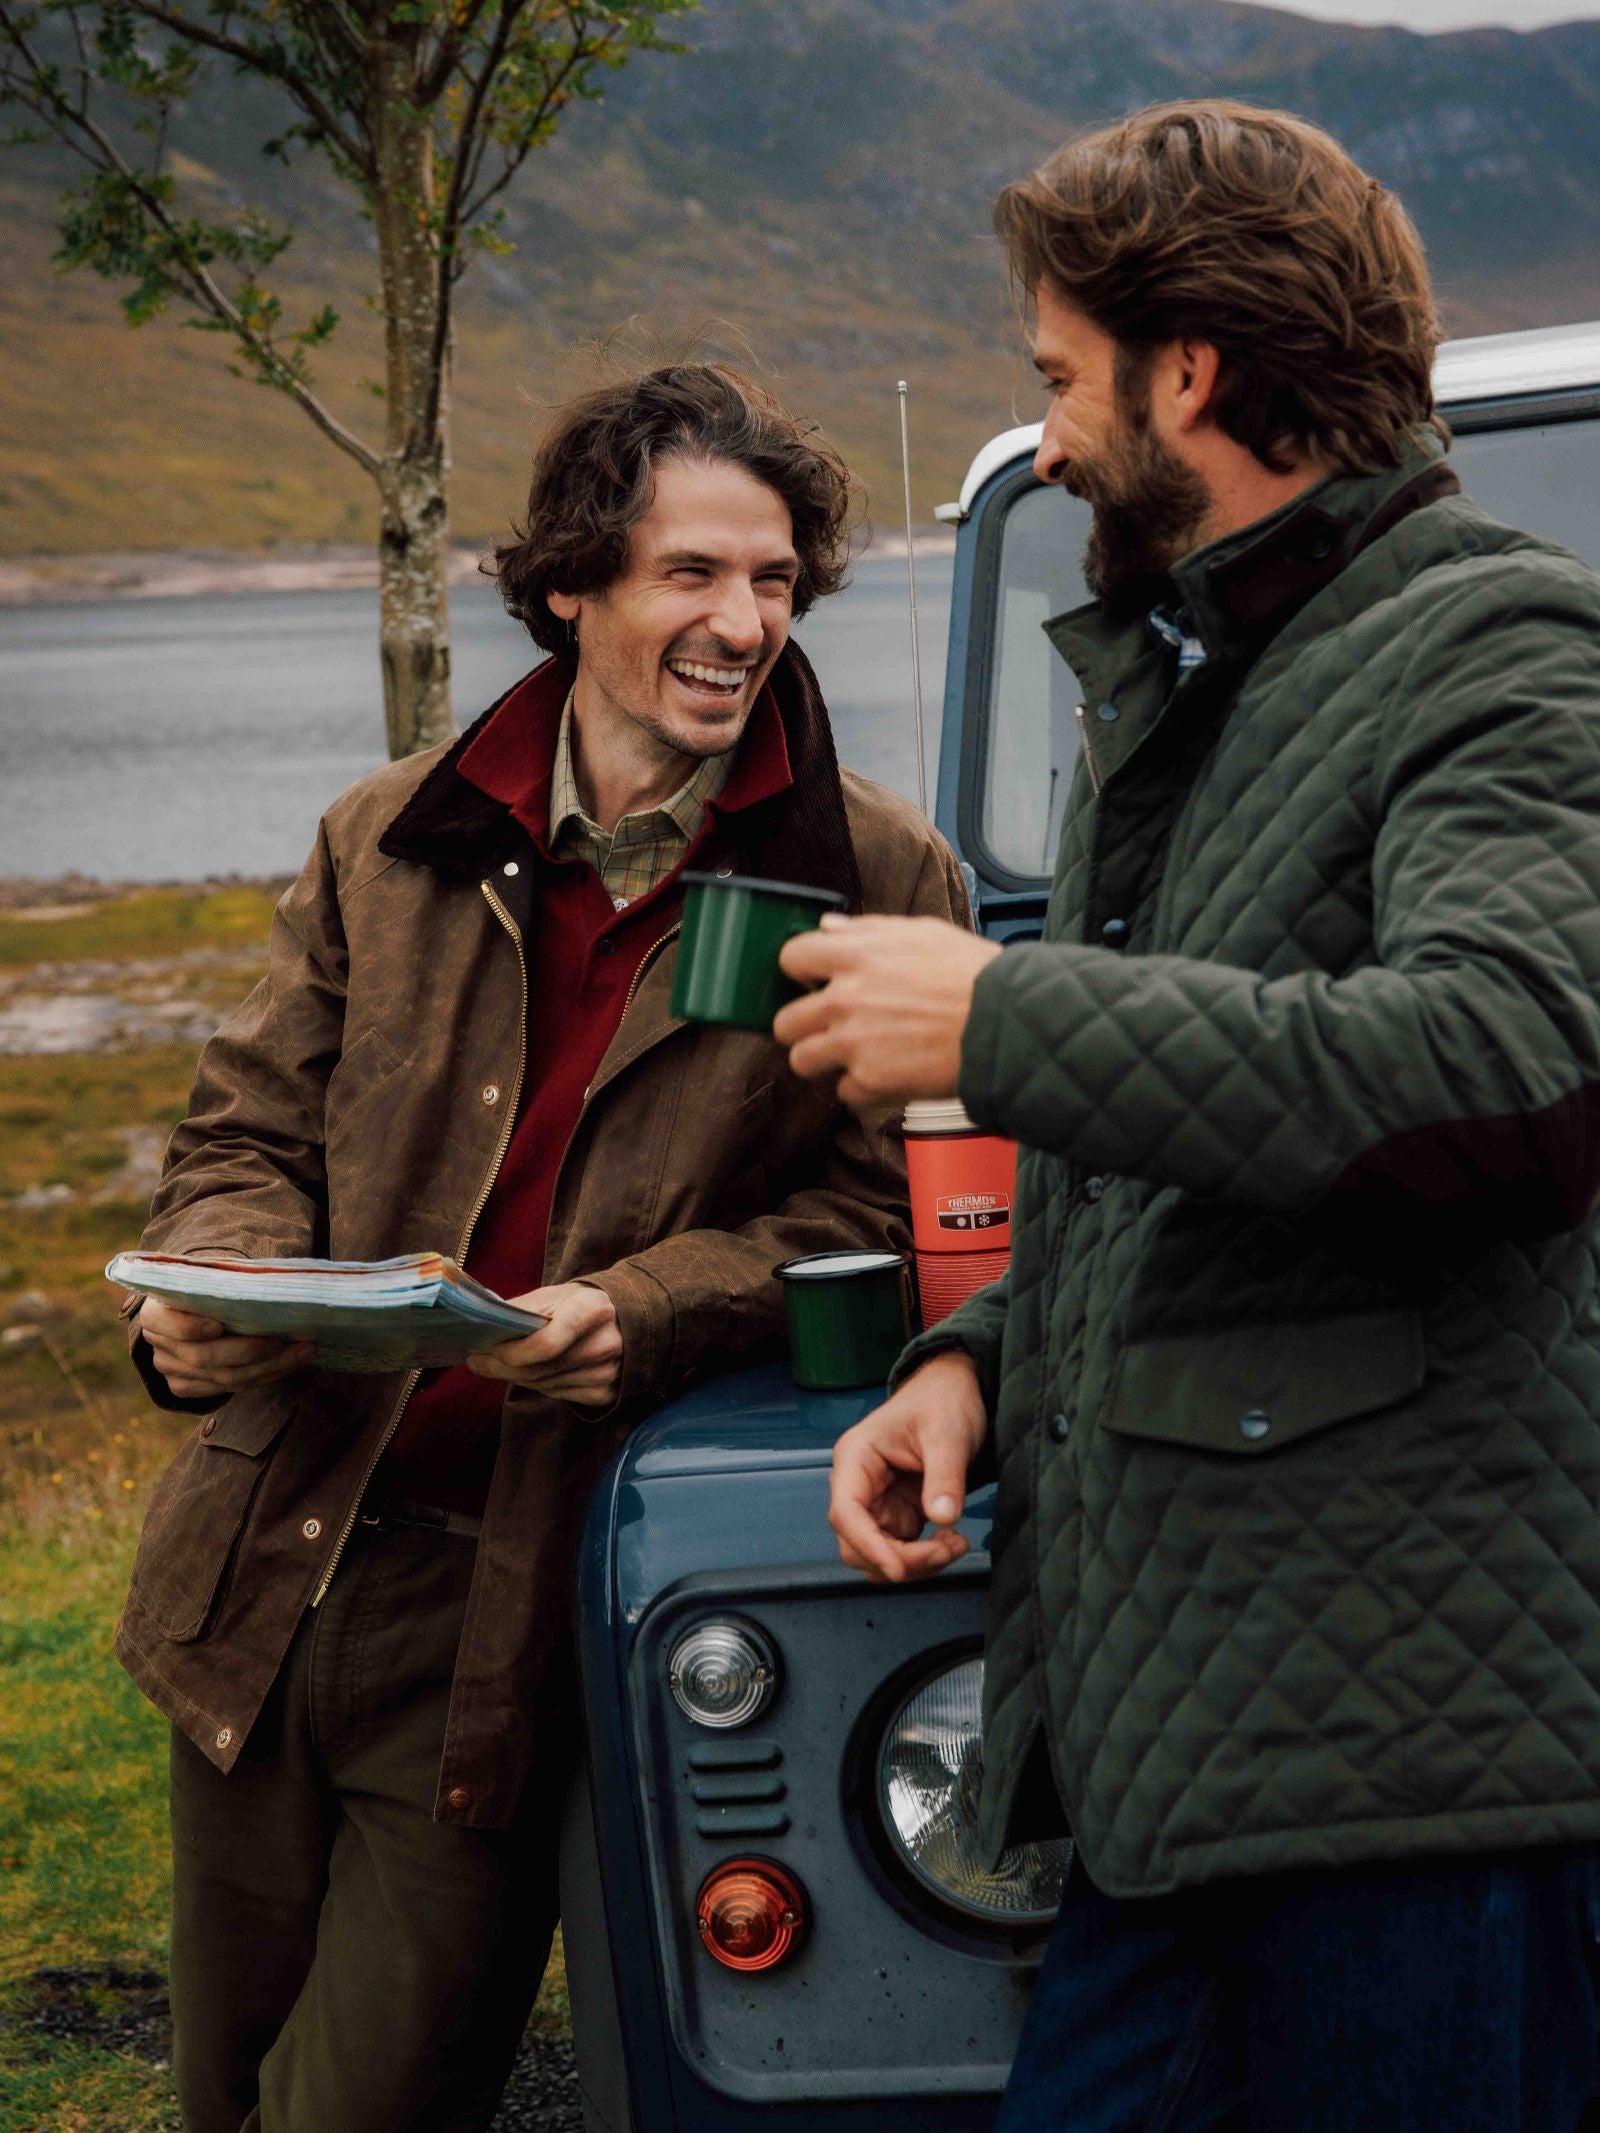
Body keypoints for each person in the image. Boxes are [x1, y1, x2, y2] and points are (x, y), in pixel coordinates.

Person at [775, 102, 1600, 2131]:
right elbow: (1206, 1152)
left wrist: (999, 1009)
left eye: (1058, 378)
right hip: (1192, 1758)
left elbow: (1508, 1072)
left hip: (1407, 1777)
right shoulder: (1216, 674)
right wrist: (971, 1360)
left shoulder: (1494, 637)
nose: (1045, 440)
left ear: (1190, 370)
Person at [116, 361, 968, 2133]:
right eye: (693, 576)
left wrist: (647, 1312)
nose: (742, 624)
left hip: (522, 1594)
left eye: (777, 582)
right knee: (219, 2097)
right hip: (270, 1560)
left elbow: (895, 1219)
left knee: (362, 2105)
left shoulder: (878, 870)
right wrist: (209, 1294)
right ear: (571, 580)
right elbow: (244, 1133)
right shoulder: (391, 830)